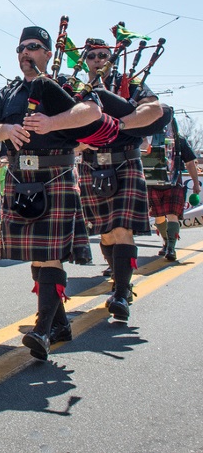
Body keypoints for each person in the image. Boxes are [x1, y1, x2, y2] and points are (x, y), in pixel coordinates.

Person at [0, 26, 101, 361]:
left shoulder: (65, 84)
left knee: (48, 253)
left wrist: (52, 123)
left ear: (47, 53)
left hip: (55, 171)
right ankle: (60, 324)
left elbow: (91, 111)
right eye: (20, 48)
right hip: (20, 174)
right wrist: (5, 130)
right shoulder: (8, 92)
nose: (25, 53)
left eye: (33, 47)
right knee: (39, 254)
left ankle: (43, 329)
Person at [78, 38, 163, 322]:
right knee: (105, 231)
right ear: (85, 61)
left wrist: (121, 124)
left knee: (122, 227)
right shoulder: (78, 91)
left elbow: (154, 110)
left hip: (125, 159)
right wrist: (80, 144)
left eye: (104, 55)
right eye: (92, 56)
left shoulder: (130, 83)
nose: (98, 60)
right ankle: (118, 277)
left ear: (111, 59)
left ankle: (122, 291)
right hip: (92, 163)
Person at [148, 125, 199, 261]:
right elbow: (190, 163)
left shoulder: (177, 140)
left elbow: (190, 163)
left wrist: (195, 182)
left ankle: (170, 246)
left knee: (169, 215)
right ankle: (168, 243)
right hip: (160, 182)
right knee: (161, 217)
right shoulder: (150, 138)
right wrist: (195, 184)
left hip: (168, 182)